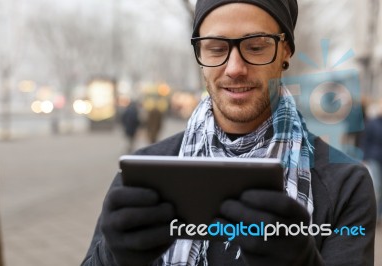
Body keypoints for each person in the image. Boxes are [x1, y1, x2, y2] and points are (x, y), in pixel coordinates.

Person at [82, 0, 376, 265]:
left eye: (256, 46)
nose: (235, 68)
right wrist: (111, 256)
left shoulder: (344, 183)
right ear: (199, 54)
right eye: (216, 48)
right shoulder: (145, 173)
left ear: (285, 51)